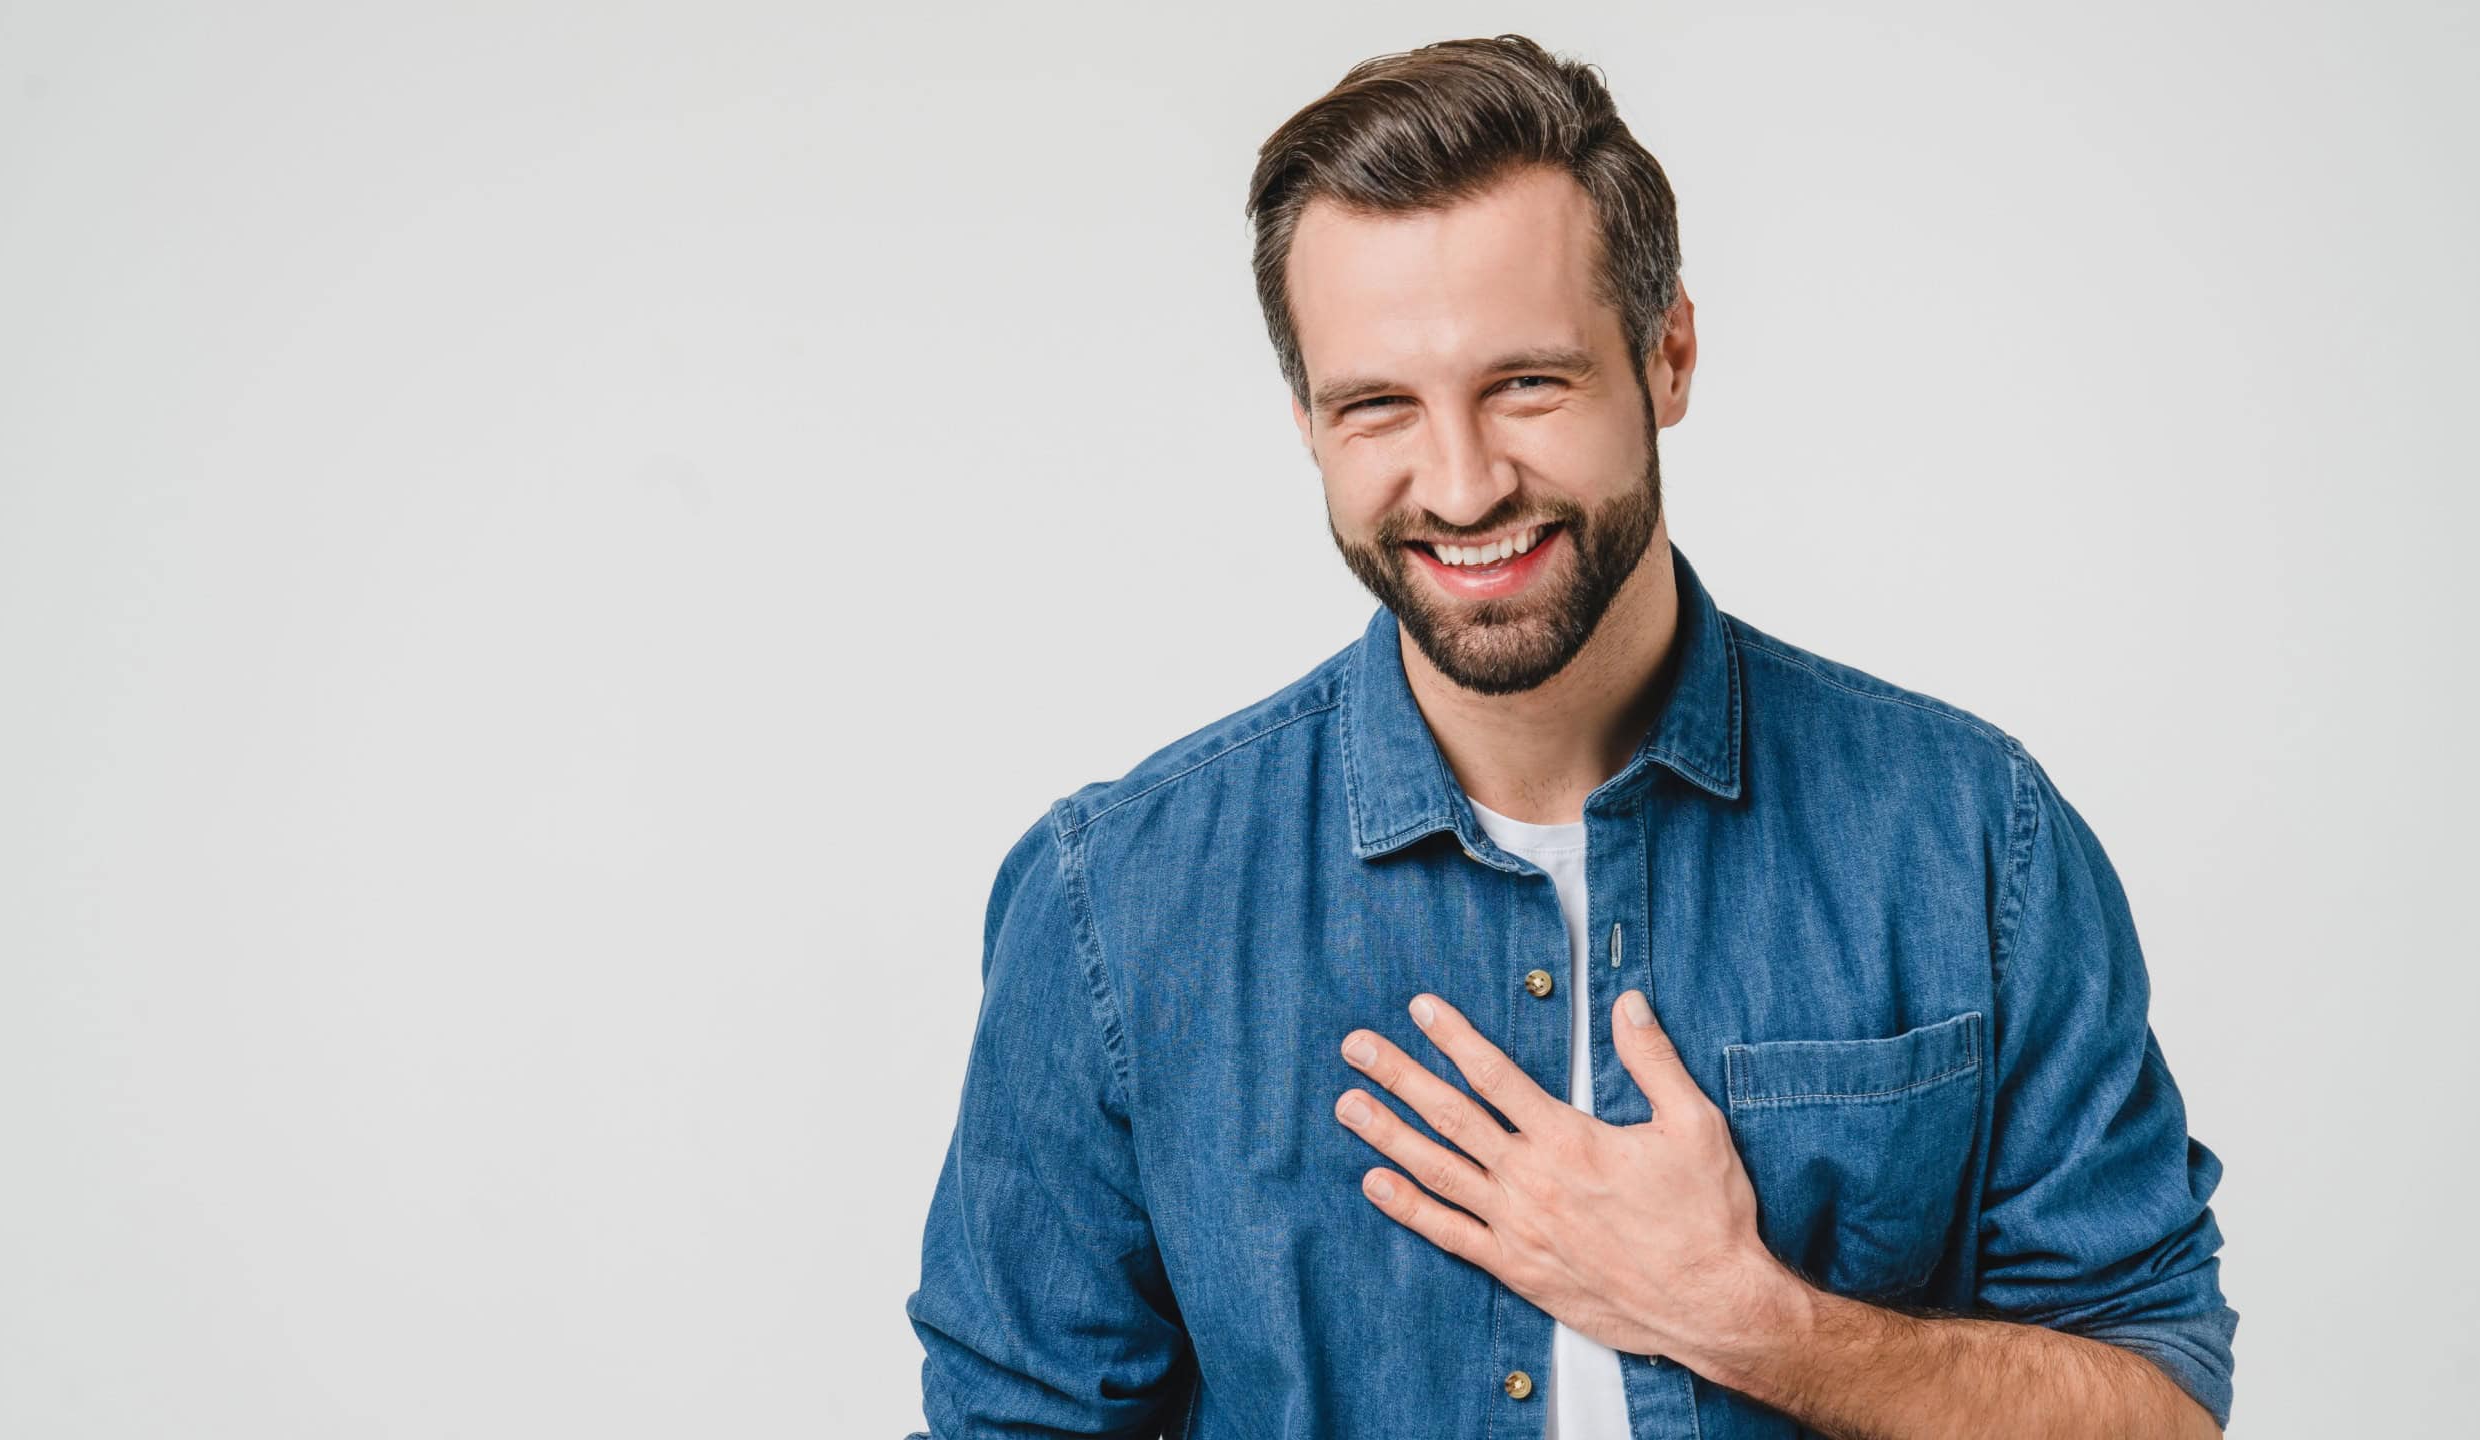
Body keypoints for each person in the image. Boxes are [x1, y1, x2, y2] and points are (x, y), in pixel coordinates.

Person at [900, 32, 2235, 1440]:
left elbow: (2158, 1406)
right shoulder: (1116, 901)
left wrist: (1753, 1322)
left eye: (1527, 384)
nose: (1465, 484)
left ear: (1669, 357)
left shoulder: (1973, 838)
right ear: (1305, 423)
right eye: (1379, 407)